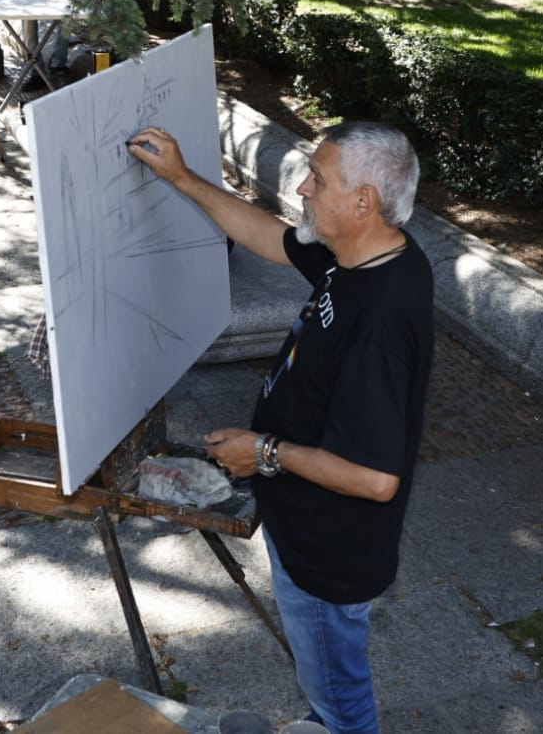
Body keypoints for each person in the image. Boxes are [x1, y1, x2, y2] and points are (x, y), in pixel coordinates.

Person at [127, 120, 433, 734]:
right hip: (307, 523)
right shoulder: (358, 254)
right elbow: (270, 237)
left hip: (327, 552)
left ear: (362, 202)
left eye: (317, 180)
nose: (302, 191)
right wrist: (184, 178)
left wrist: (263, 451)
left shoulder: (380, 317)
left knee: (343, 703)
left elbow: (377, 480)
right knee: (329, 680)